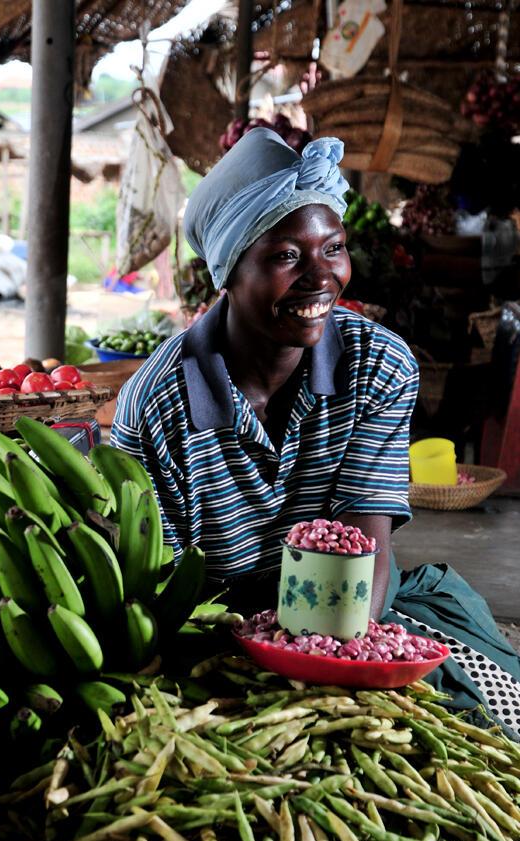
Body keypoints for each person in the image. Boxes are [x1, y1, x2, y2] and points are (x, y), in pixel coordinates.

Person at [112, 128, 520, 734]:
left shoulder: (376, 366)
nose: (320, 277)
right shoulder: (159, 403)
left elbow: (365, 547)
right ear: (228, 271)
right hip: (211, 633)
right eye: (285, 256)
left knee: (485, 710)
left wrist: (334, 668)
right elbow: (161, 591)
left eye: (333, 248)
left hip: (352, 614)